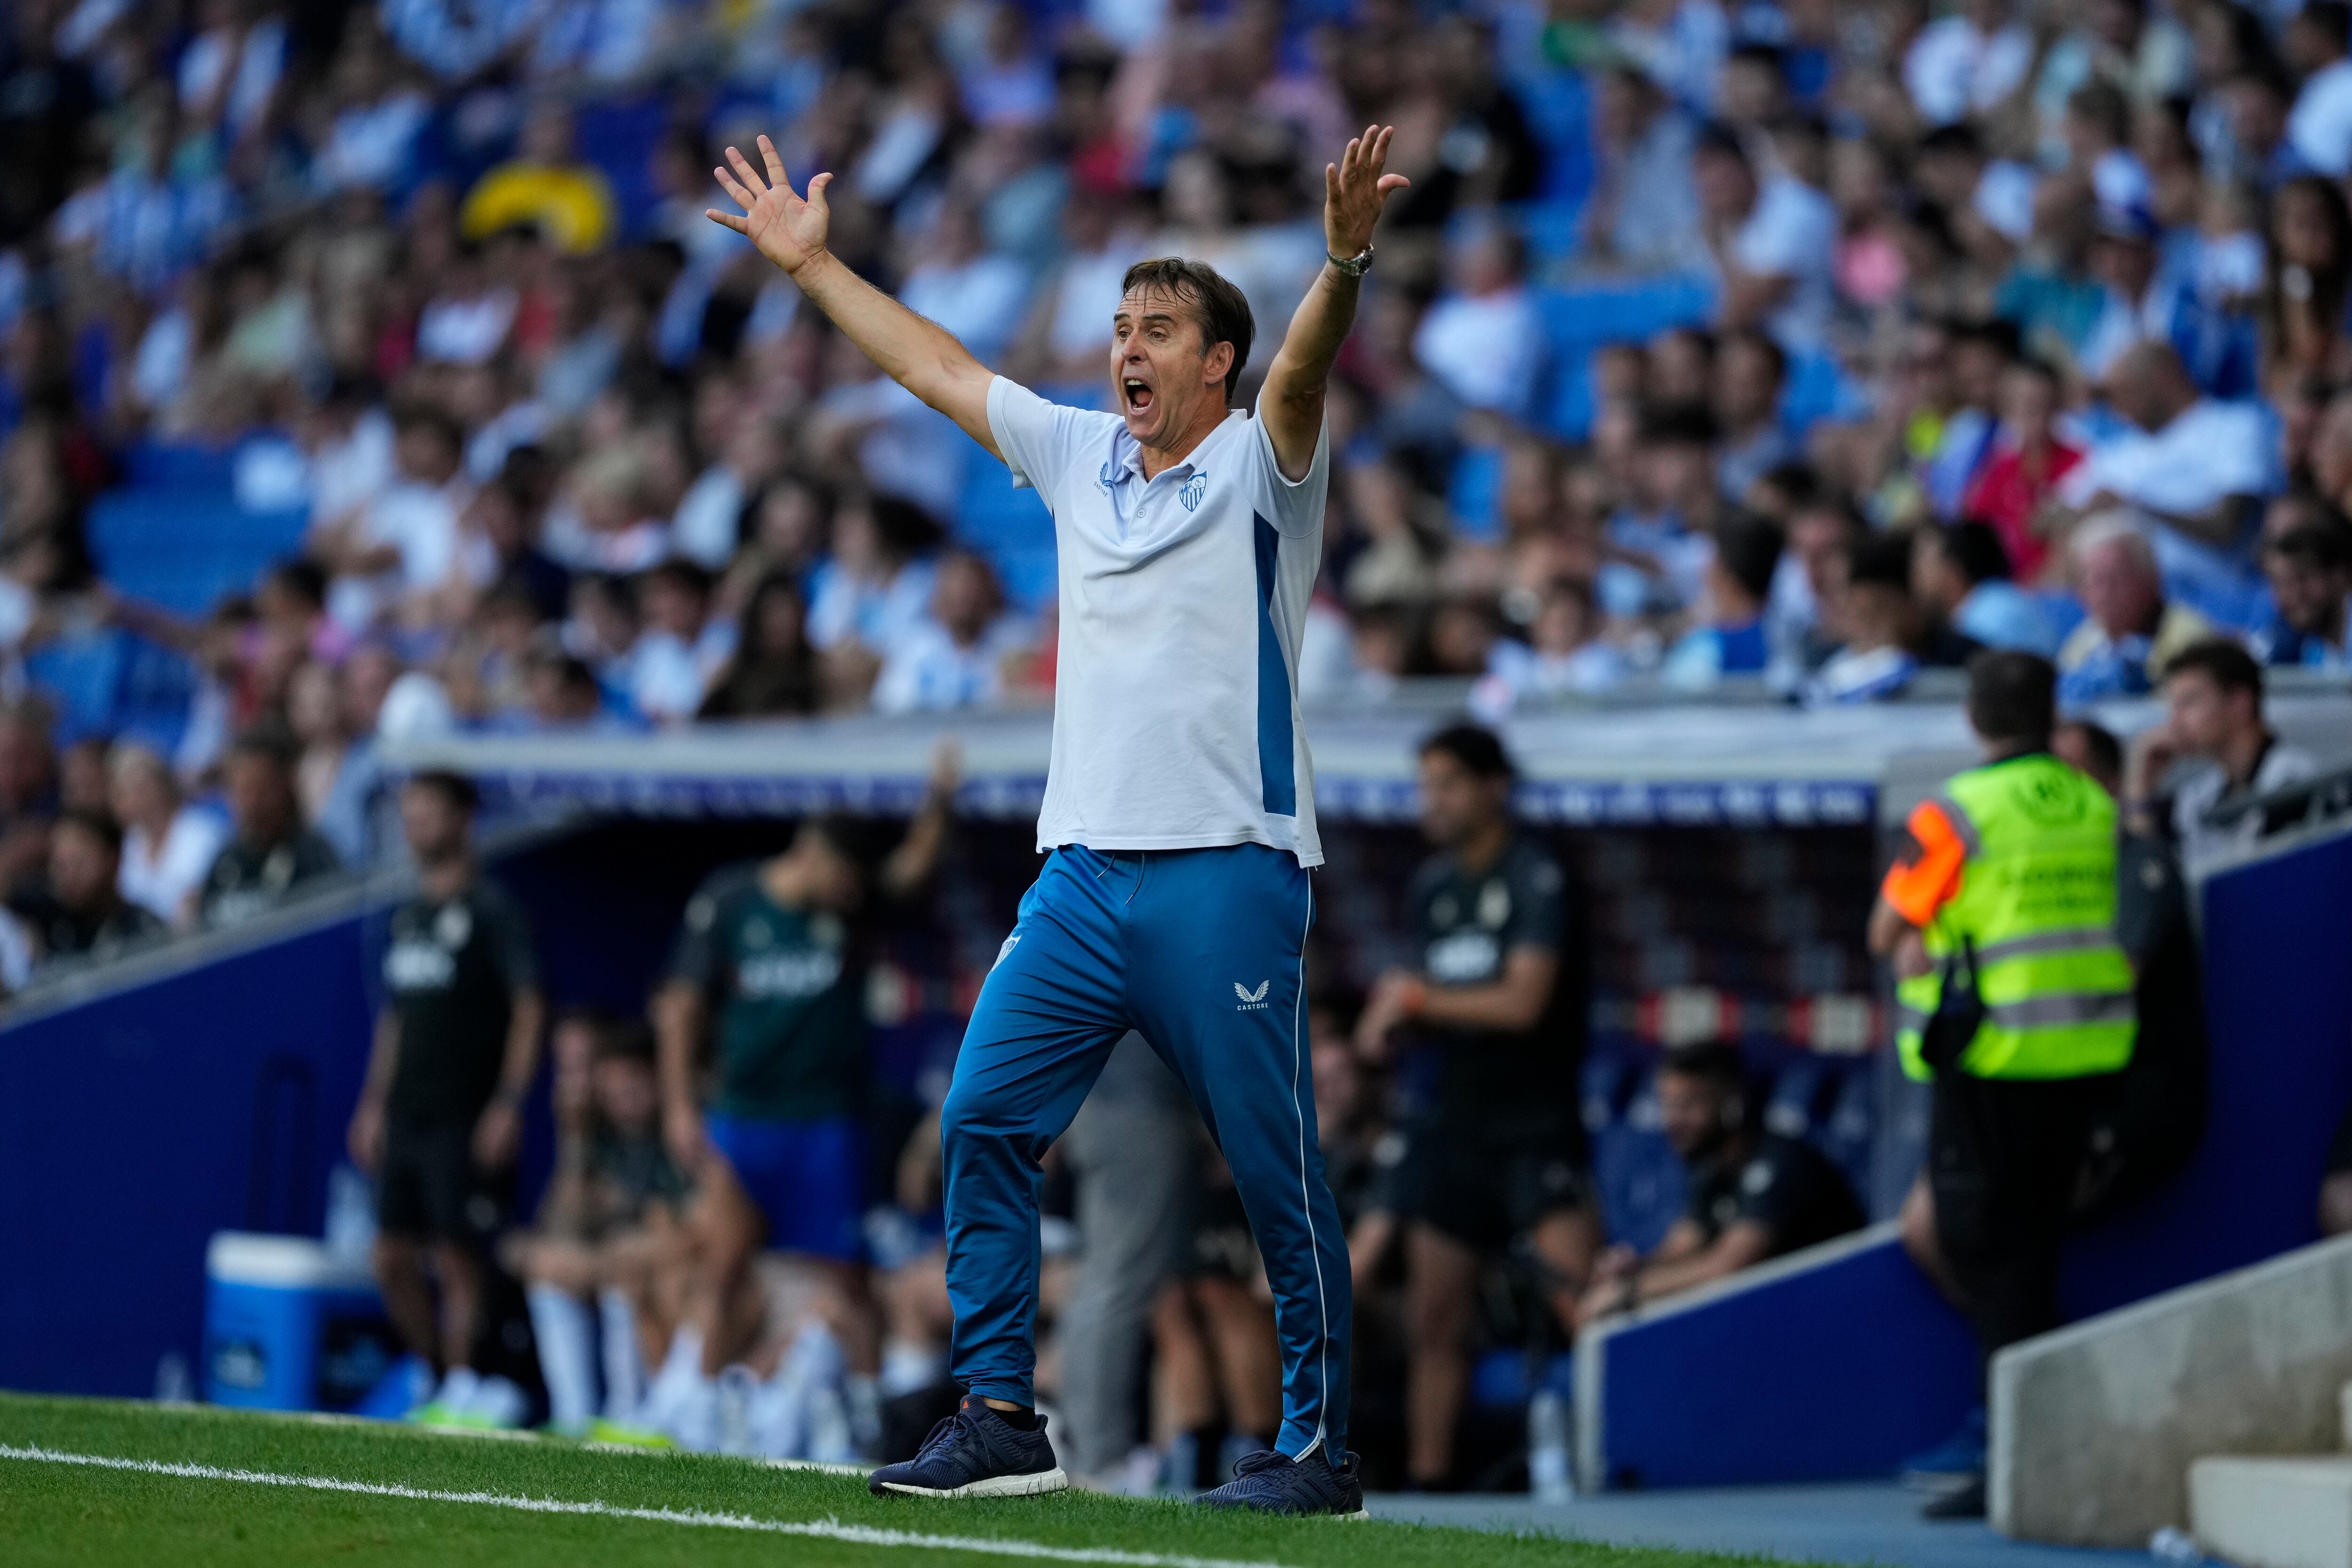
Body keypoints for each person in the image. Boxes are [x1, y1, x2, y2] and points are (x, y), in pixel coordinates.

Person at [707, 121, 1407, 1513]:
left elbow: (1310, 361)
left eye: (1158, 328)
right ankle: (997, 1418)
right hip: (1081, 874)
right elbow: (933, 365)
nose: (1126, 347)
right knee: (979, 1115)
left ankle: (1317, 1445)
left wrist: (1340, 260)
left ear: (1217, 360)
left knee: (1272, 1165)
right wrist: (812, 268)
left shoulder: (1267, 462)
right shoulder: (1081, 455)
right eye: (1115, 325)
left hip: (1227, 865)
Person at [1869, 651, 2137, 1520]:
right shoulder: (2094, 800)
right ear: (2051, 712)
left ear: (1974, 715)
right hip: (2085, 1054)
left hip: (1995, 1057)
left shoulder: (1959, 809)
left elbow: (1891, 926)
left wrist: (1931, 932)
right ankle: (2023, 1436)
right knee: (2033, 1248)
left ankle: (2014, 1450)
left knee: (1985, 1249)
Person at [651, 752, 957, 1454]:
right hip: (742, 1118)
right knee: (723, 1263)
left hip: (826, 1122)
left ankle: (878, 1418)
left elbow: (910, 870)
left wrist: (939, 799)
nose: (854, 894)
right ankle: (699, 1406)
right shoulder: (731, 900)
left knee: (845, 1278)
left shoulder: (847, 910)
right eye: (846, 878)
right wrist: (677, 1106)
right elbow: (682, 1007)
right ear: (814, 854)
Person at [1353, 723, 1592, 1493]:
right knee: (1435, 1322)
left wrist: (1420, 996)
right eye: (1426, 785)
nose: (1434, 800)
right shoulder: (1434, 885)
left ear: (1495, 786)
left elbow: (1524, 1000)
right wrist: (1396, 1018)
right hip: (1453, 1121)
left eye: (1449, 783)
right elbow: (1443, 997)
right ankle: (1430, 1486)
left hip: (1535, 1122)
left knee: (1585, 1306)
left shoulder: (1536, 873)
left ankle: (1613, 1470)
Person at [345, 771, 546, 1430]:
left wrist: (509, 1101)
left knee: (460, 1252)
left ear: (463, 819)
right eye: (410, 813)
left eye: (429, 812)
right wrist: (373, 1103)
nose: (416, 826)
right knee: (390, 1254)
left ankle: (465, 1381)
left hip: (465, 1110)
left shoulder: (493, 911)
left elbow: (529, 1004)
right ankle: (430, 1373)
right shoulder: (410, 916)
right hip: (407, 1112)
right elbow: (396, 1018)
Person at [1576, 1041, 1863, 1327]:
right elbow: (1681, 1248)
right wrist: (1632, 1269)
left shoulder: (1783, 1162)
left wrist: (1630, 1293)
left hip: (1838, 1322)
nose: (1673, 1120)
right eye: (1667, 1105)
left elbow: (1727, 1267)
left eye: (1688, 1105)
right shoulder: (1711, 1169)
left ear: (1732, 1103)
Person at [507, 1011, 692, 1438]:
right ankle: (575, 1416)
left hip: (670, 1273)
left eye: (632, 1081)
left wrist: (607, 1256)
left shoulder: (678, 1131)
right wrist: (572, 1138)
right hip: (614, 1263)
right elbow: (563, 1221)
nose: (619, 1093)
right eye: (610, 1084)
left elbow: (685, 1230)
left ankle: (629, 1411)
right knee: (548, 1268)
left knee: (623, 1272)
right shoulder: (601, 1134)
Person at [2124, 638, 2319, 870]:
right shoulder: (2200, 794)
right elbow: (2151, 874)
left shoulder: (2293, 778)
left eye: (2189, 703)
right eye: (2172, 707)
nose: (2174, 723)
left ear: (2240, 703)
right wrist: (2141, 786)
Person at [196, 722, 343, 929]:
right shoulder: (225, 866)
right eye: (241, 790)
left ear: (286, 787)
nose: (251, 803)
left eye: (260, 789)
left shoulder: (315, 857)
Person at [2056, 517, 2214, 705]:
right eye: (2096, 580)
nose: (2106, 592)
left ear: (2152, 579)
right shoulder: (2081, 645)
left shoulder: (2191, 640)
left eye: (2117, 578)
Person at [26, 810, 165, 971]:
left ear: (113, 858)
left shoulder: (144, 929)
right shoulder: (50, 935)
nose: (70, 875)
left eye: (79, 863)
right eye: (61, 866)